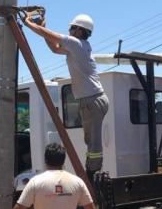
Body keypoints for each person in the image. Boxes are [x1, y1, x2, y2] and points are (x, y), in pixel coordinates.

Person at [24, 13, 110, 181]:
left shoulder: (76, 43)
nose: (69, 31)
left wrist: (29, 24)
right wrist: (43, 26)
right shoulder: (79, 46)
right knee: (90, 139)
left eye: (71, 28)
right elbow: (55, 48)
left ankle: (93, 173)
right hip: (92, 99)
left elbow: (50, 36)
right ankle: (92, 170)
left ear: (79, 30)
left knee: (94, 143)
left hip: (92, 100)